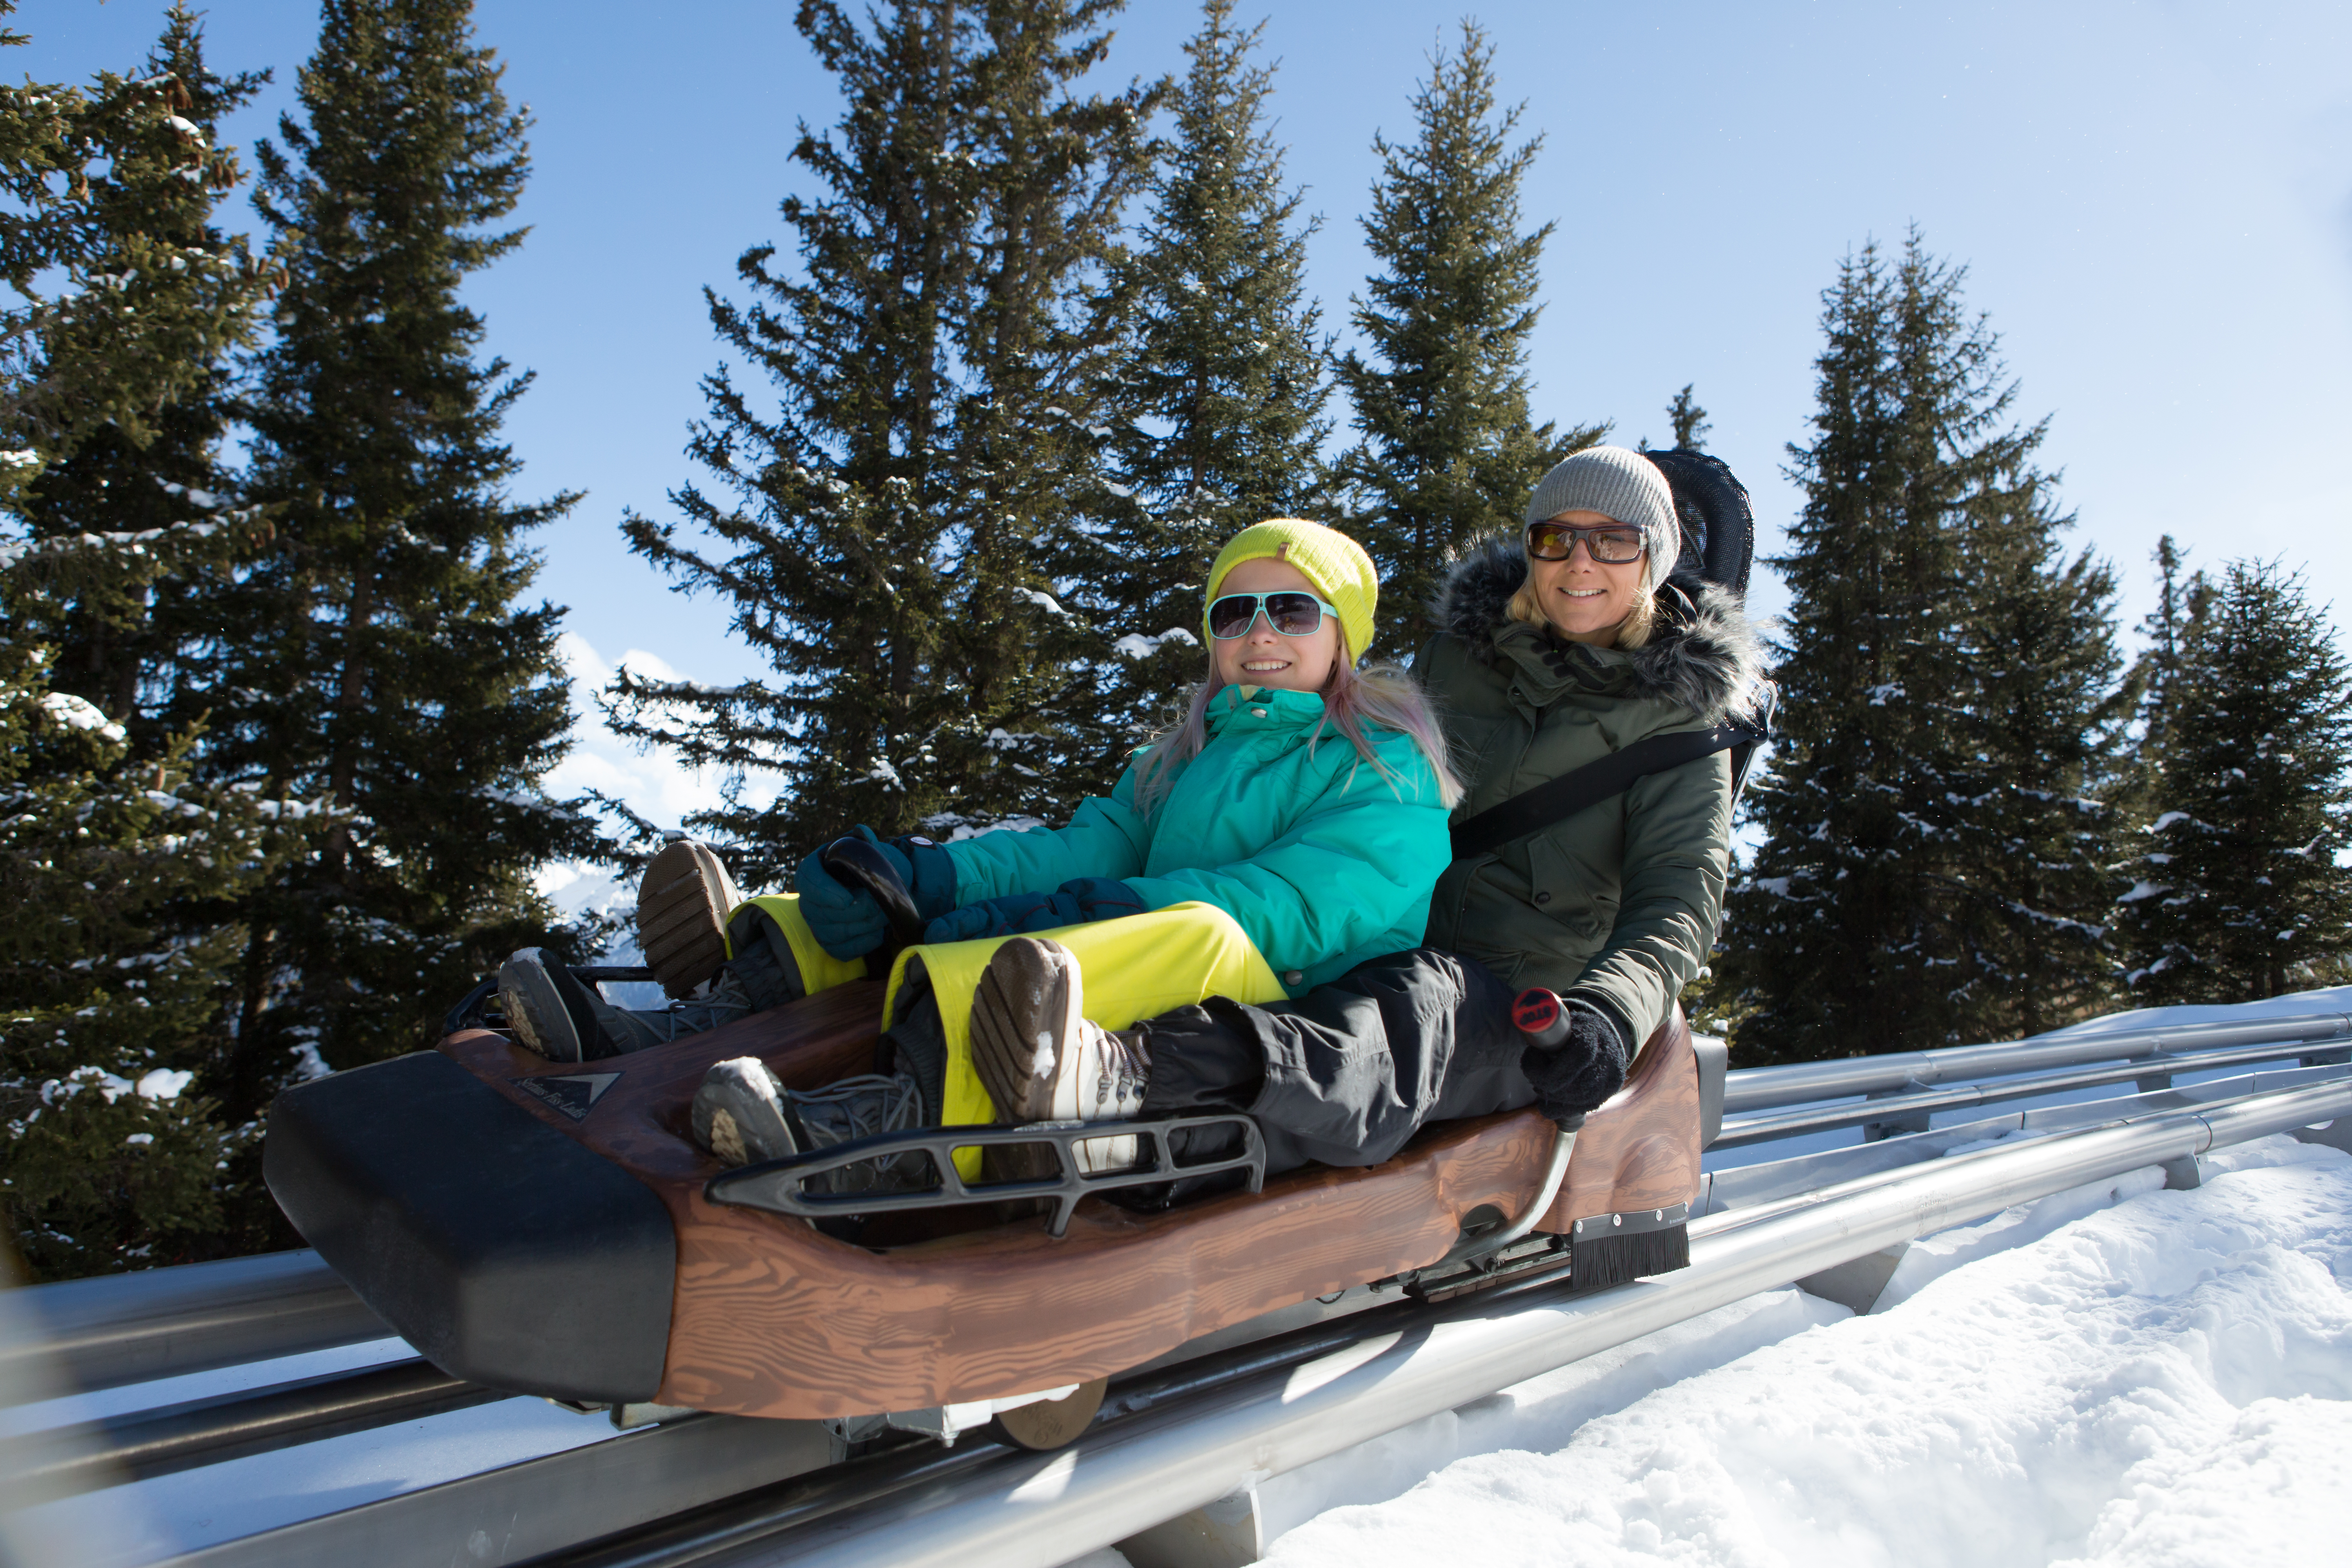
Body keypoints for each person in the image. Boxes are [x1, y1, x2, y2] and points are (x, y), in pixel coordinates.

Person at [495, 518, 1469, 1177]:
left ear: (1343, 633)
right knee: (903, 910)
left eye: (1292, 611)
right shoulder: (1183, 754)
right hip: (1149, 938)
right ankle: (682, 1028)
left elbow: (1306, 906)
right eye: (1234, 612)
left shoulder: (1383, 764)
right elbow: (1088, 846)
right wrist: (933, 875)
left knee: (1189, 930)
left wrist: (1123, 909)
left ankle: (885, 1130)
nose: (1260, 633)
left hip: (1267, 1004)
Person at [984, 443, 1768, 1180]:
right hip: (1379, 928)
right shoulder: (1461, 660)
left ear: (1655, 559)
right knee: (1292, 966)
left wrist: (1606, 1015)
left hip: (1523, 995)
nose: (1581, 563)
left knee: (1413, 1014)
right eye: (1556, 538)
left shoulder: (1681, 726)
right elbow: (1357, 754)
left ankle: (1137, 1089)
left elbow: (1678, 900)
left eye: (1615, 542)